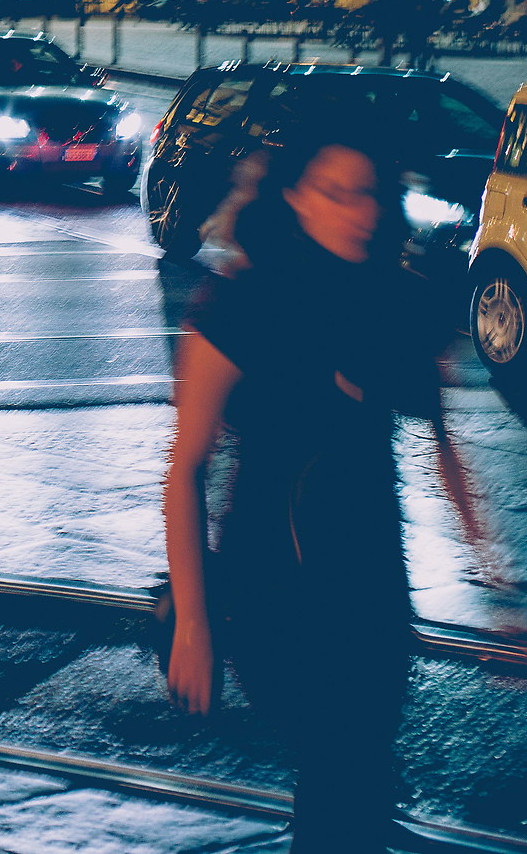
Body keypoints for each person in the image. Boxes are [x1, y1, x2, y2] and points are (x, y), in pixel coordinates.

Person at [161, 137, 451, 854]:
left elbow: (444, 436)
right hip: (275, 589)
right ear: (292, 196)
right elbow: (185, 470)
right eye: (334, 190)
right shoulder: (241, 304)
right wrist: (192, 625)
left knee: (355, 791)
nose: (357, 210)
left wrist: (503, 590)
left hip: (375, 586)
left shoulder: (392, 297)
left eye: (368, 191)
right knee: (341, 777)